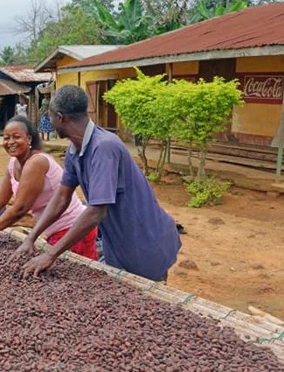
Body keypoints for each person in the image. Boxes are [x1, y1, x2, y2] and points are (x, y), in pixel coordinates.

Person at [11, 85, 181, 282]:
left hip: (145, 242)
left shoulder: (104, 148)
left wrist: (50, 255)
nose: (49, 122)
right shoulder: (74, 151)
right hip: (118, 244)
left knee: (149, 298)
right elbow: (61, 197)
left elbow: (96, 211)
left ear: (60, 117)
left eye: (49, 117)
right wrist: (32, 237)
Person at [0, 116, 98, 260]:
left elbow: (20, 209)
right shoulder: (13, 163)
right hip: (53, 231)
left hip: (71, 230)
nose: (10, 142)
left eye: (16, 137)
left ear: (29, 139)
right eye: (6, 138)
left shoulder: (37, 162)